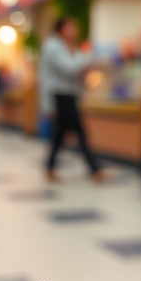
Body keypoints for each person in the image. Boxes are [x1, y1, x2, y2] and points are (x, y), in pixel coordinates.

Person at [40, 17, 104, 182]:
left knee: (60, 135)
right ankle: (94, 169)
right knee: (79, 133)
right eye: (71, 27)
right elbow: (69, 68)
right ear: (61, 29)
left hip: (69, 96)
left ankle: (50, 167)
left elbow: (75, 70)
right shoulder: (53, 46)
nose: (74, 31)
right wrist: (87, 54)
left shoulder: (68, 47)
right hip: (60, 96)